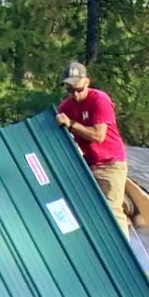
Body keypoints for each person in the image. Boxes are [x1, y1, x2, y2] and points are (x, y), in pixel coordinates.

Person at [54, 61, 129, 234]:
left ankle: (125, 254)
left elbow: (98, 136)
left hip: (111, 164)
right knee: (86, 210)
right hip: (88, 165)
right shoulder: (66, 107)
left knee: (112, 211)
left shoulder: (99, 100)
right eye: (70, 90)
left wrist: (71, 124)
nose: (75, 95)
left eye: (78, 90)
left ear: (87, 82)